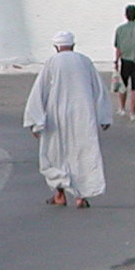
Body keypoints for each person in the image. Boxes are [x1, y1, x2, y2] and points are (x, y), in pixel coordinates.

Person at [23, 30, 111, 207]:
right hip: (83, 115)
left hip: (57, 115)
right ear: (73, 45)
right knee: (82, 153)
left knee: (55, 154)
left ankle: (60, 194)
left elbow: (40, 91)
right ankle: (80, 196)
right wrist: (104, 116)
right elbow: (99, 89)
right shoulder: (84, 61)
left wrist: (35, 121)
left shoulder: (52, 62)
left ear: (56, 47)